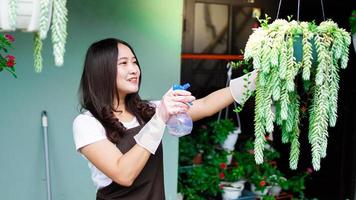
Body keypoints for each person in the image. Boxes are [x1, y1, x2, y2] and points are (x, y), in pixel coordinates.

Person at [73, 38, 257, 199]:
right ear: (102, 70)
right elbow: (124, 173)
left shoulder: (146, 110)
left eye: (135, 62)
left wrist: (256, 78)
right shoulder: (87, 123)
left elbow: (205, 105)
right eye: (123, 63)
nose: (134, 70)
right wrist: (159, 117)